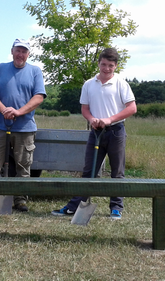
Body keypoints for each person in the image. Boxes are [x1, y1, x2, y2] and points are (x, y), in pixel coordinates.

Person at [51, 48, 137, 220]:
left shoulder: (121, 83)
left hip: (116, 131)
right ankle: (75, 206)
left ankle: (116, 208)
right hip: (96, 131)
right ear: (98, 63)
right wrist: (92, 119)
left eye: (110, 66)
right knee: (89, 171)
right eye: (103, 64)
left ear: (116, 66)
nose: (106, 69)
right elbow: (85, 109)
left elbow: (132, 108)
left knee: (117, 172)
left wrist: (109, 120)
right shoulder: (89, 84)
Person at [0, 38, 46, 213]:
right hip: (0, 126)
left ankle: (20, 200)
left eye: (24, 51)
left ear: (28, 54)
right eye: (18, 50)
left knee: (23, 166)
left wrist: (19, 112)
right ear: (12, 51)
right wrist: (4, 110)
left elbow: (39, 97)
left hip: (25, 128)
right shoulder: (1, 68)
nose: (20, 54)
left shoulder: (35, 71)